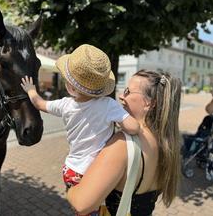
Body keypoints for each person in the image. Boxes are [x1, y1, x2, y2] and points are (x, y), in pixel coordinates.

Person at [21, 44, 140, 215]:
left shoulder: (64, 105)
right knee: (94, 207)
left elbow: (39, 103)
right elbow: (134, 127)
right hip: (95, 171)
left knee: (82, 208)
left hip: (71, 170)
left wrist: (31, 90)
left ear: (70, 87)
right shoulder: (108, 105)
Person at [66, 69, 181, 216]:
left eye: (127, 91)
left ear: (149, 103)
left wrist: (70, 187)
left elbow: (82, 205)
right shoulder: (164, 141)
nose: (121, 96)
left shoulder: (123, 143)